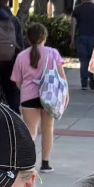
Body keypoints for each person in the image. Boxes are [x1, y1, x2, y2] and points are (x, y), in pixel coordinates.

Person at [10, 18, 59, 172]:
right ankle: (45, 163)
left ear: (28, 38)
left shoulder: (21, 56)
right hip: (49, 97)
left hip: (28, 97)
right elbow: (61, 78)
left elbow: (17, 81)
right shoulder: (53, 53)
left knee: (30, 131)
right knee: (47, 129)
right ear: (44, 37)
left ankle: (27, 163)